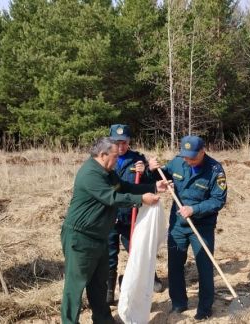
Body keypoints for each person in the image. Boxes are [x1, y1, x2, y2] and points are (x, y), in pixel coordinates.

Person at [60, 137, 170, 324]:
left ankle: (103, 320)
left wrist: (153, 187)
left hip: (99, 236)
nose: (118, 160)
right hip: (81, 237)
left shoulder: (108, 172)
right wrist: (141, 199)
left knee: (99, 284)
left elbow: (124, 187)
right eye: (115, 157)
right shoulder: (90, 174)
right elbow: (112, 197)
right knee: (75, 285)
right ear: (103, 155)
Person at [149, 135, 227, 321]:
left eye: (192, 156)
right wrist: (153, 170)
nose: (188, 160)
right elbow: (162, 175)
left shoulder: (215, 171)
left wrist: (194, 209)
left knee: (204, 267)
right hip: (178, 225)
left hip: (202, 226)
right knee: (175, 265)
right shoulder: (177, 162)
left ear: (202, 151)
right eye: (185, 156)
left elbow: (218, 200)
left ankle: (205, 308)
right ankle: (178, 303)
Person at [106, 124, 164, 305]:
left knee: (137, 248)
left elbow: (146, 185)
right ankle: (109, 289)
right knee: (109, 253)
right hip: (110, 215)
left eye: (124, 142)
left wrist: (146, 172)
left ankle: (148, 277)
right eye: (117, 142)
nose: (121, 146)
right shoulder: (104, 158)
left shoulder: (138, 159)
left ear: (129, 141)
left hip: (131, 214)